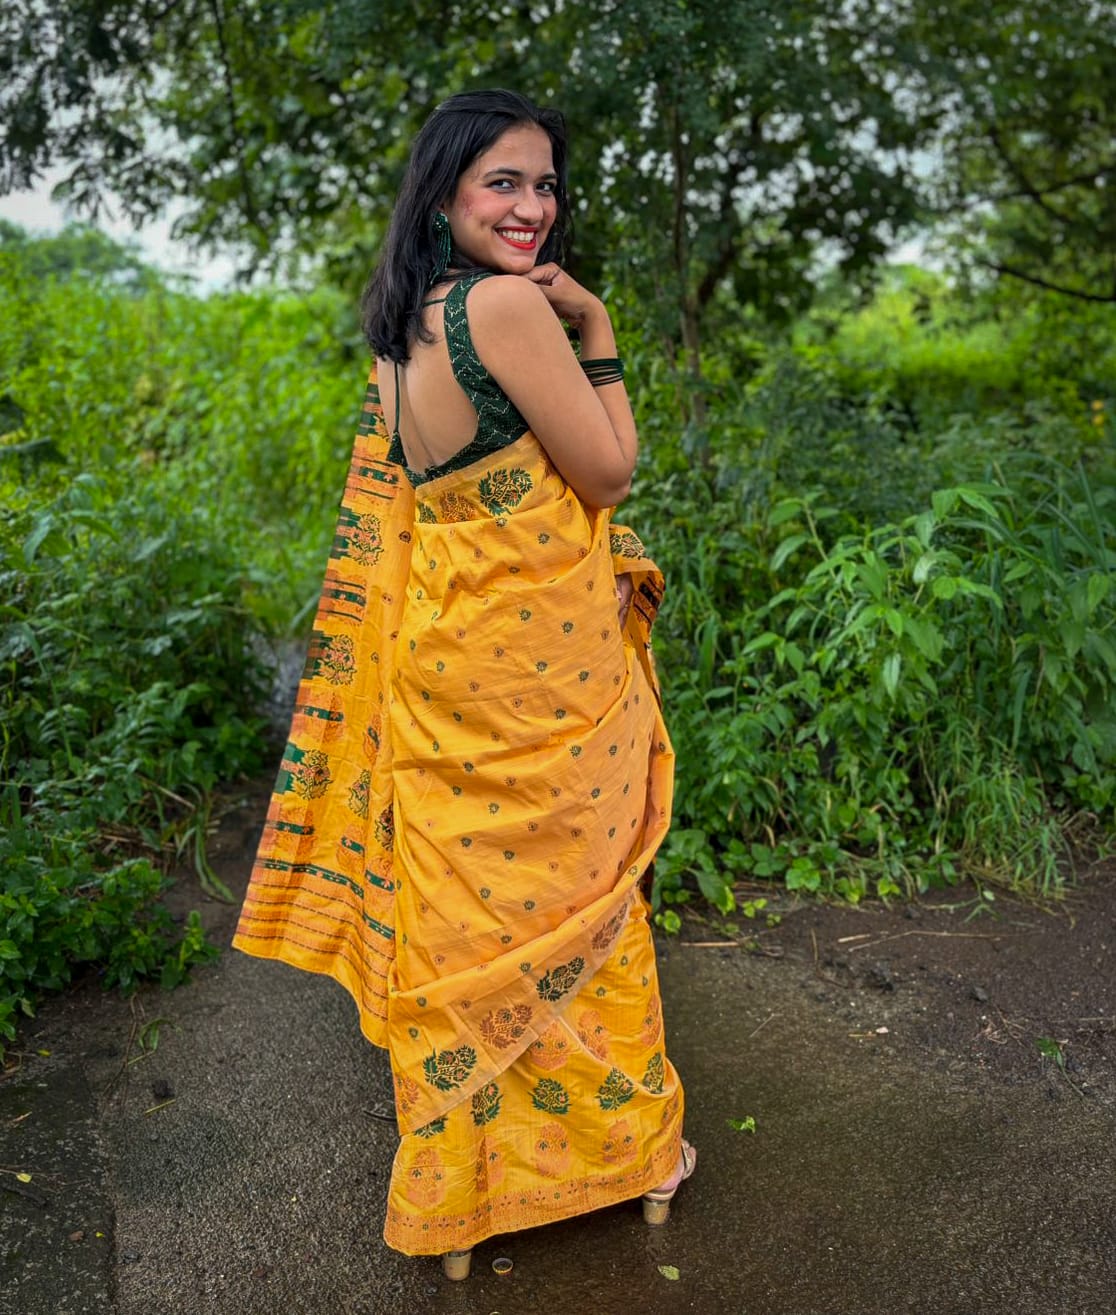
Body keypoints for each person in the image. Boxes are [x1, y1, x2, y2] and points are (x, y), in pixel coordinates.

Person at [233, 88, 694, 1281]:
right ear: (444, 193)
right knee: (585, 910)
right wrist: (595, 331)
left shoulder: (404, 329)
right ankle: (631, 1158)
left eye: (546, 185)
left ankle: (465, 1198)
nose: (534, 207)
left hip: (444, 674)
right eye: (506, 182)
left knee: (468, 923)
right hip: (544, 685)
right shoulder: (507, 309)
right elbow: (608, 472)